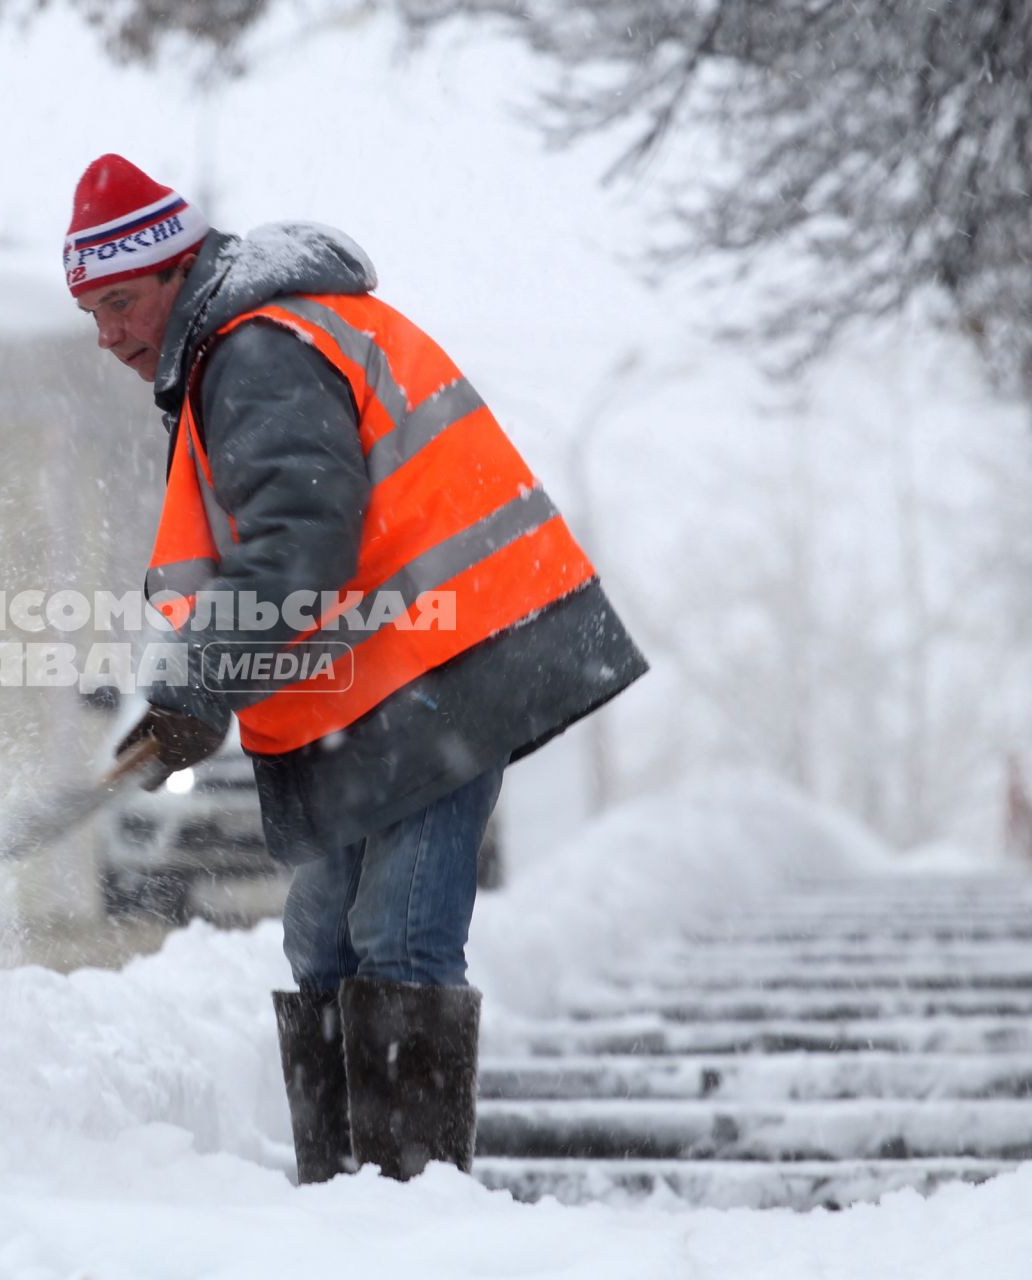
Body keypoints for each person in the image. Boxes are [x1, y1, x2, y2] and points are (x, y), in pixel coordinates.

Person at [66, 154, 648, 1185]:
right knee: (323, 939)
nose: (106, 332)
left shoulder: (257, 352)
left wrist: (201, 683)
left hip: (448, 664)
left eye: (118, 301)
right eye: (89, 310)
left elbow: (298, 543)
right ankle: (341, 1204)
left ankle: (407, 1215)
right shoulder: (237, 353)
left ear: (175, 270)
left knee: (396, 937)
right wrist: (190, 683)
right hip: (382, 681)